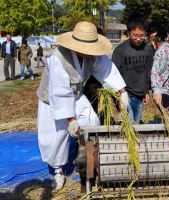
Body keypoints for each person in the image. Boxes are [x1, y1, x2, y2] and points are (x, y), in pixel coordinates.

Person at [36, 21, 129, 191]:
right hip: (52, 100)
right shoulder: (58, 58)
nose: (87, 52)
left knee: (91, 120)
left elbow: (106, 70)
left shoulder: (92, 54)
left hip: (76, 96)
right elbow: (60, 92)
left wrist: (121, 91)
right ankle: (58, 172)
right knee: (56, 137)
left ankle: (89, 158)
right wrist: (71, 120)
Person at [112, 14, 154, 124]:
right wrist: (119, 93)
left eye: (142, 35)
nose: (138, 39)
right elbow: (113, 73)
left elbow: (148, 72)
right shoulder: (120, 50)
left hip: (139, 94)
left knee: (136, 121)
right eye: (135, 35)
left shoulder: (148, 50)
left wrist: (146, 91)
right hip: (124, 93)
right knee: (129, 122)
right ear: (129, 32)